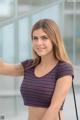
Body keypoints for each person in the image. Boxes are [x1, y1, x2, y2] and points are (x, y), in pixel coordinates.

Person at [0, 19, 74, 120]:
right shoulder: (29, 66)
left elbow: (54, 107)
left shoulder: (64, 69)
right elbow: (2, 68)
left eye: (44, 38)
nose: (39, 43)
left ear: (54, 40)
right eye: (35, 38)